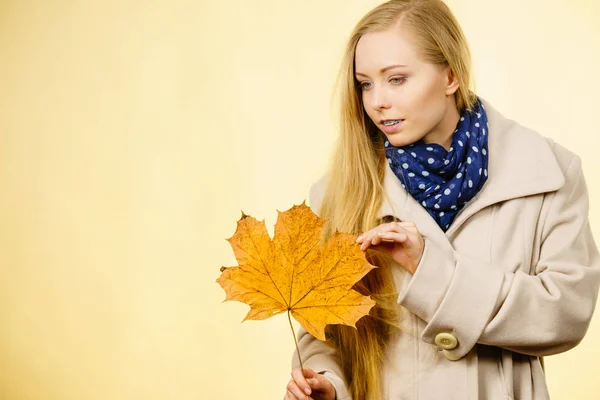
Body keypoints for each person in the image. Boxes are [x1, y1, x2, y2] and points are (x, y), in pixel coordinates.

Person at [283, 0, 600, 399]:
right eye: (365, 83)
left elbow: (566, 314)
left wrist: (433, 272)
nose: (377, 101)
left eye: (396, 79)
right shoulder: (339, 191)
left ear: (450, 76)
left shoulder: (545, 172)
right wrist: (327, 383)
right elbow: (325, 332)